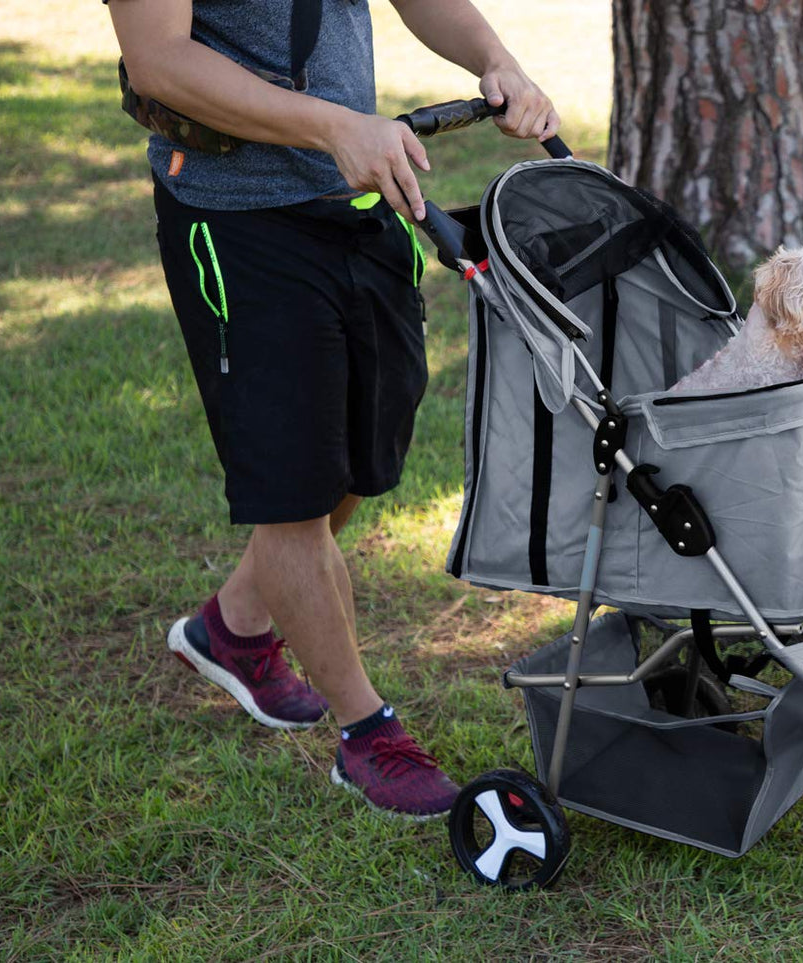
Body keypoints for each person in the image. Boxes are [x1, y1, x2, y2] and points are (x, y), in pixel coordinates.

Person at [107, 0, 560, 819]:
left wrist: (495, 60)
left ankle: (235, 628)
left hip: (355, 199)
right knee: (292, 488)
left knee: (364, 450)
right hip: (234, 218)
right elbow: (159, 61)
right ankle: (366, 733)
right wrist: (332, 127)